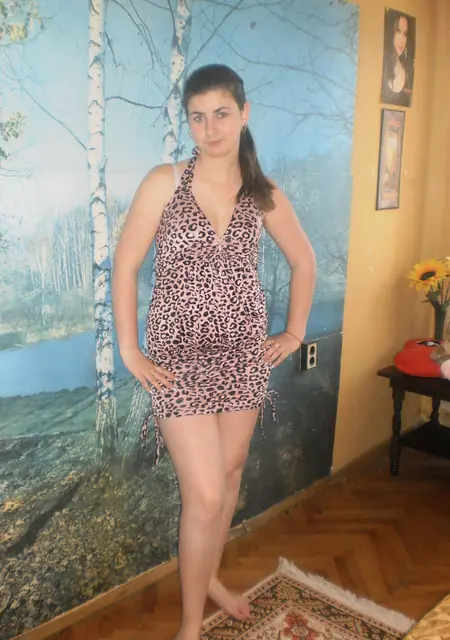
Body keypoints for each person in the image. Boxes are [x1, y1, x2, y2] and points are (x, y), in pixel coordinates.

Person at [112, 64, 316, 640]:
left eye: (221, 113)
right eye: (197, 117)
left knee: (227, 476)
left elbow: (304, 260)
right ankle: (190, 624)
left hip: (243, 354)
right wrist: (129, 349)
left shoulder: (261, 192)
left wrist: (294, 333)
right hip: (176, 359)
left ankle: (210, 579)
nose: (210, 128)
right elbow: (125, 266)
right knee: (203, 494)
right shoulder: (164, 182)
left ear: (243, 114)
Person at [381, 12, 414, 107]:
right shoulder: (384, 64)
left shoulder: (408, 68)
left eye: (405, 34)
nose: (402, 40)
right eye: (398, 31)